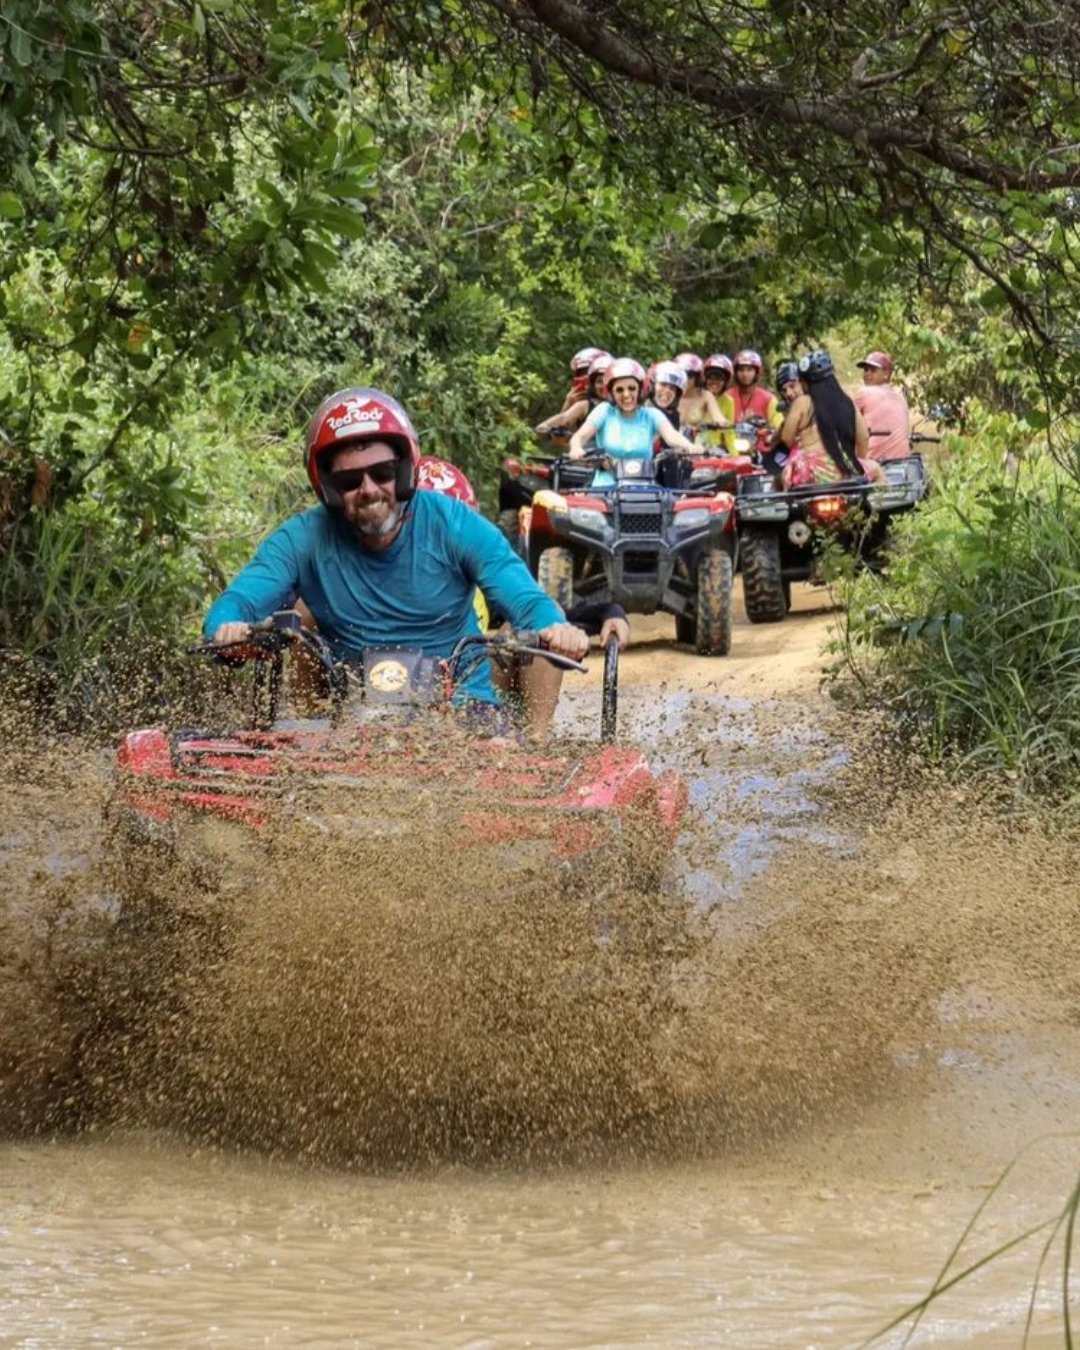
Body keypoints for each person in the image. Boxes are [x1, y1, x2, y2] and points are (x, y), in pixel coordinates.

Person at [206, 387, 588, 736]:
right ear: (329, 488)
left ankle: (533, 751)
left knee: (500, 748)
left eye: (382, 473)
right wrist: (226, 630)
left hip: (462, 707)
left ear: (405, 471)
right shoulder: (301, 538)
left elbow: (524, 598)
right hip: (349, 718)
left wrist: (555, 628)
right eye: (350, 480)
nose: (369, 490)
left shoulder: (457, 525)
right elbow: (238, 601)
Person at [773, 351, 883, 487]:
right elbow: (863, 438)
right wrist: (857, 462)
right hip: (842, 470)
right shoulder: (846, 402)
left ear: (805, 382)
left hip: (808, 473)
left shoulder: (802, 402)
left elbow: (787, 438)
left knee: (782, 481)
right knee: (877, 470)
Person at [568, 358, 698, 460]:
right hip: (605, 486)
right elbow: (580, 435)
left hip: (645, 486)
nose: (626, 394)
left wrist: (689, 446)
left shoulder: (651, 414)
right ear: (611, 393)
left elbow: (671, 435)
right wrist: (576, 448)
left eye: (632, 388)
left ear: (640, 390)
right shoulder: (604, 411)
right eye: (619, 390)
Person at [853, 350, 911, 460]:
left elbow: (847, 421)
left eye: (873, 370)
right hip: (903, 459)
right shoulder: (900, 396)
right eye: (866, 370)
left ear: (886, 374)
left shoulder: (864, 393)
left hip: (875, 461)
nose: (867, 374)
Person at [536, 353, 612, 434]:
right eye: (599, 382)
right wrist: (546, 425)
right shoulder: (584, 405)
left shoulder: (620, 406)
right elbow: (563, 419)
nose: (604, 385)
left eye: (607, 381)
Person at [675, 352, 733, 450]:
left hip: (699, 449)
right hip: (671, 447)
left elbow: (718, 417)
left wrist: (723, 423)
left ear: (697, 378)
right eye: (680, 375)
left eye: (689, 376)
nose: (684, 380)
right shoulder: (670, 394)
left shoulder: (706, 395)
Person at [730, 349, 783, 428]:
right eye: (741, 370)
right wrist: (741, 424)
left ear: (757, 372)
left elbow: (778, 428)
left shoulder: (769, 399)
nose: (745, 374)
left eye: (749, 370)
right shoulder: (727, 397)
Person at [561, 346, 609, 411]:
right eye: (582, 374)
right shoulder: (577, 400)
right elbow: (564, 419)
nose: (585, 378)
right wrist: (567, 406)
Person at [647, 360, 688, 429]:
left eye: (672, 388)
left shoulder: (674, 417)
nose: (667, 390)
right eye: (663, 384)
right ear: (653, 386)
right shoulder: (638, 412)